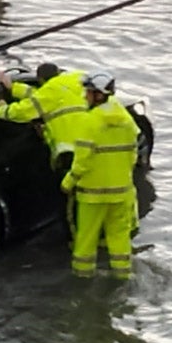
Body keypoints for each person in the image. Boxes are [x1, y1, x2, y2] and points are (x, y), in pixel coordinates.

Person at [60, 71, 140, 280]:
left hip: (92, 195)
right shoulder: (126, 119)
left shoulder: (88, 122)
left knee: (86, 241)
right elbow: (133, 155)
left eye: (88, 92)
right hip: (122, 193)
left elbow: (82, 160)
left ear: (98, 95)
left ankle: (82, 280)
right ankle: (122, 277)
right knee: (119, 239)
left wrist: (68, 182)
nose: (85, 96)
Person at [0, 62, 89, 235]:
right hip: (94, 148)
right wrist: (13, 87)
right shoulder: (75, 79)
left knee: (69, 203)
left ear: (40, 80)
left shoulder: (48, 94)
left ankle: (76, 240)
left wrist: (2, 108)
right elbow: (40, 96)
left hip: (70, 156)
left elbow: (23, 111)